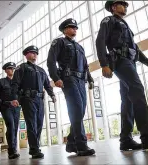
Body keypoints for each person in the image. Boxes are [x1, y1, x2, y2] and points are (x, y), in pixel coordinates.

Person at [96, 0, 148, 151]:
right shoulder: (109, 20)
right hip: (120, 61)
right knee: (137, 89)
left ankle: (125, 139)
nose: (124, 6)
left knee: (128, 100)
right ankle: (147, 136)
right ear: (113, 7)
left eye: (125, 5)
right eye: (121, 4)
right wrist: (104, 64)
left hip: (129, 62)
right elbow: (100, 40)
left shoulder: (125, 26)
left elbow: (135, 49)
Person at [47, 18, 95, 156]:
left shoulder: (80, 47)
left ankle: (71, 143)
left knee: (80, 111)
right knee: (76, 109)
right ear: (64, 30)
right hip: (68, 79)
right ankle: (81, 144)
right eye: (71, 27)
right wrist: (56, 78)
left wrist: (90, 79)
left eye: (75, 27)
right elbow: (51, 61)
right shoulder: (59, 42)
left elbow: (85, 66)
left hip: (81, 80)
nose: (75, 29)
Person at [10, 45, 56, 159]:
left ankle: (35, 147)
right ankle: (34, 149)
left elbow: (47, 84)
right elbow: (15, 83)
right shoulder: (22, 68)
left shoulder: (41, 70)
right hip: (28, 99)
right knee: (32, 124)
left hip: (40, 100)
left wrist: (52, 94)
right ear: (26, 55)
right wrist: (14, 97)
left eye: (36, 53)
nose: (34, 55)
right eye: (32, 53)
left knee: (39, 124)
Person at [0, 62, 21, 159]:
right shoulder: (1, 82)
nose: (12, 70)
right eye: (9, 68)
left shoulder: (18, 82)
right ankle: (11, 151)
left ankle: (14, 149)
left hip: (16, 108)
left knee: (15, 128)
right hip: (5, 107)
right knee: (11, 126)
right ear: (5, 70)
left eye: (13, 68)